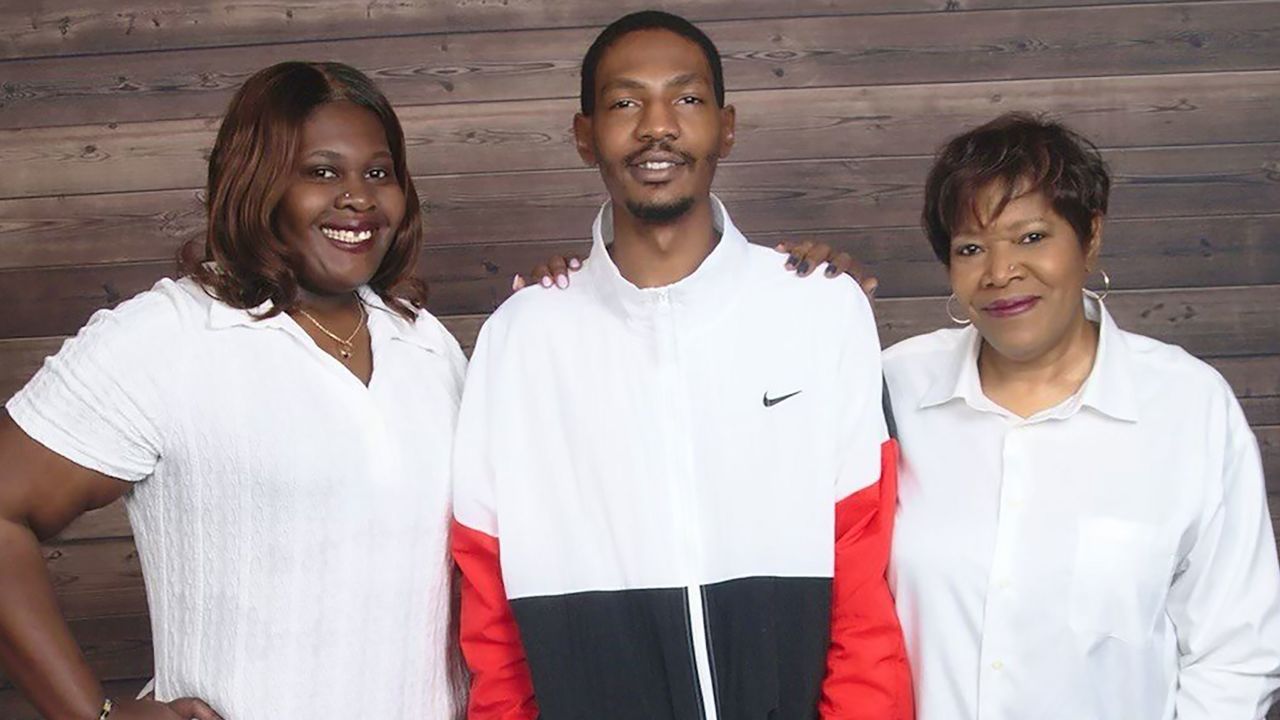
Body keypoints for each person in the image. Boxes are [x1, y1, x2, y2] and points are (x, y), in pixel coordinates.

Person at [451, 10, 913, 720]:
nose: (656, 126)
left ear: (726, 126)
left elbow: (863, 579)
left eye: (687, 99)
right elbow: (489, 608)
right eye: (625, 102)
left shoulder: (820, 311)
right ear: (585, 136)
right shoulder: (521, 338)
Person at [0, 62, 466, 719]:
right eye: (322, 171)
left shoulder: (428, 346)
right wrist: (90, 716)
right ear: (257, 181)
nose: (359, 197)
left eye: (379, 172)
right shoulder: (171, 336)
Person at [883, 112, 1280, 719]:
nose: (1000, 272)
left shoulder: (1185, 406)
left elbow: (1238, 651)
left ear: (1089, 236)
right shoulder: (892, 389)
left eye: (1033, 237)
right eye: (971, 248)